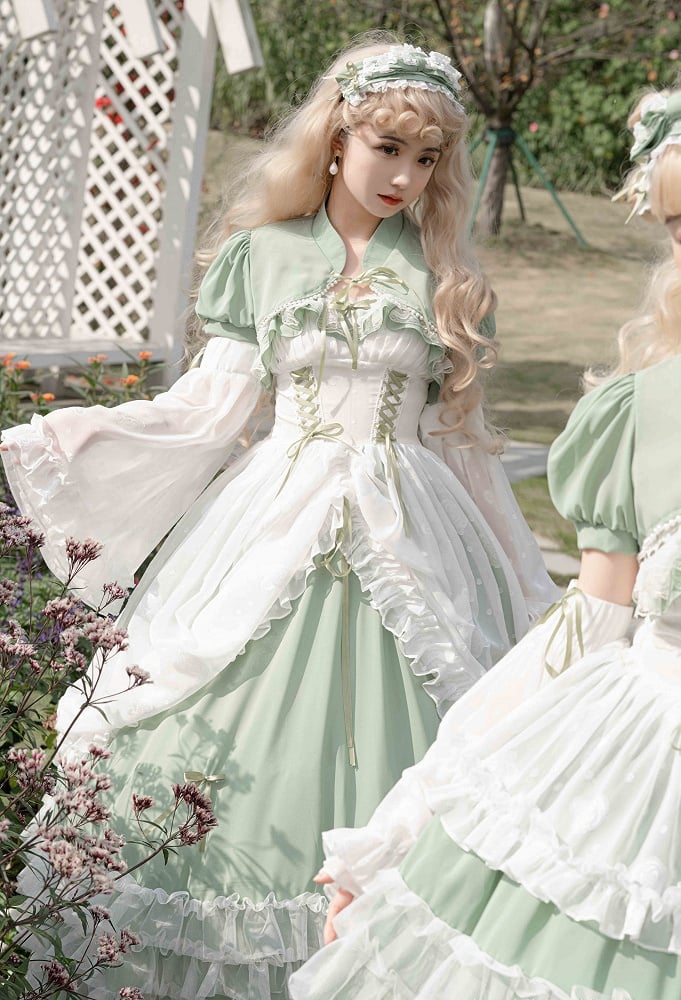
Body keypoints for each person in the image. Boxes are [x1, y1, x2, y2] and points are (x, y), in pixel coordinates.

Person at [1, 35, 556, 999]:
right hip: (273, 516)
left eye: (426, 159)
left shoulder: (446, 278)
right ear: (337, 139)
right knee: (208, 707)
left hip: (410, 526)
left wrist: (525, 580)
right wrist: (81, 430)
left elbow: (462, 446)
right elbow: (210, 409)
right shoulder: (263, 255)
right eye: (388, 148)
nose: (405, 176)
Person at [288, 84, 681, 1000]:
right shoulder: (641, 410)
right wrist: (401, 825)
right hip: (639, 777)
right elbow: (585, 629)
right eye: (678, 223)